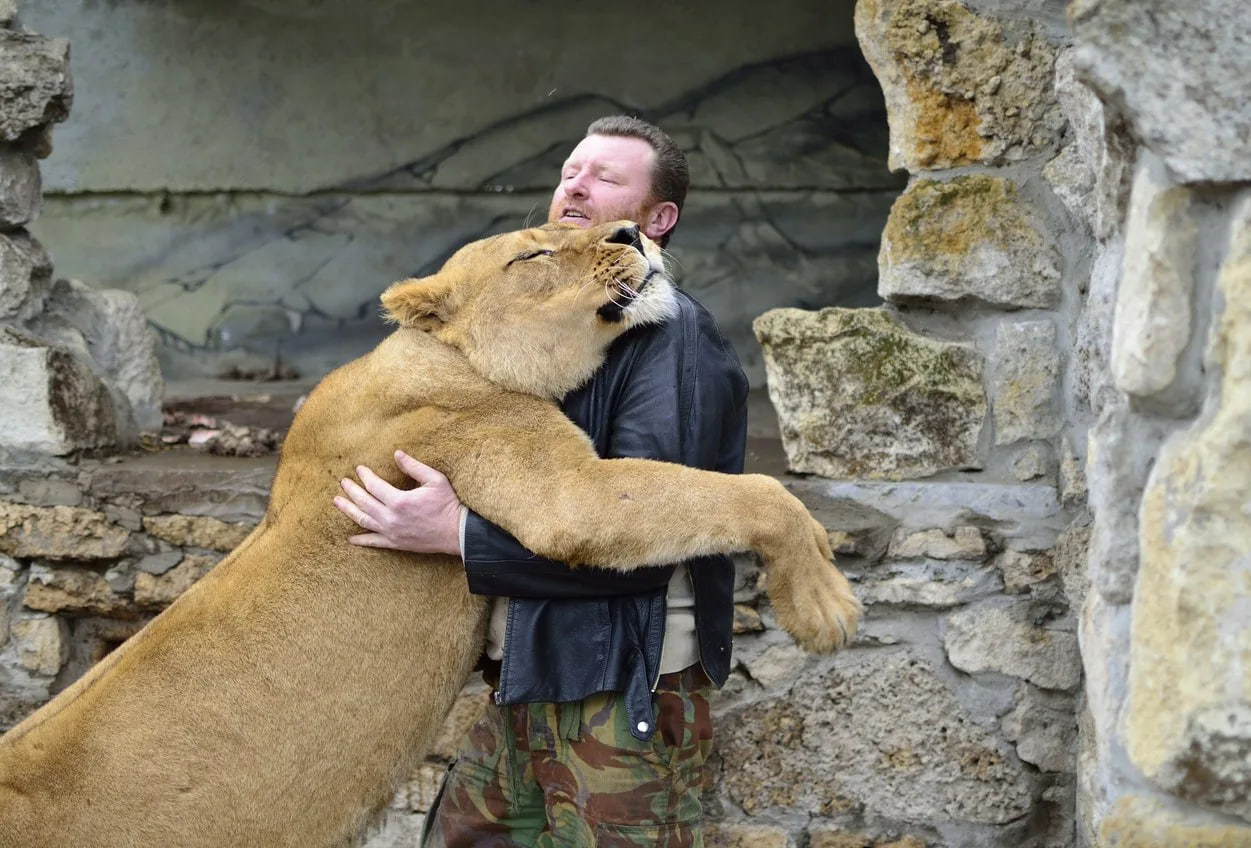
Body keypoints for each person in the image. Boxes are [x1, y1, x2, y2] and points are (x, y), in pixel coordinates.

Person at [334, 115, 749, 847]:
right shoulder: (547, 327)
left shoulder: (671, 333)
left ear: (658, 220)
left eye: (607, 177)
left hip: (620, 690)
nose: (576, 186)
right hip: (525, 679)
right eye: (569, 172)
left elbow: (642, 536)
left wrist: (456, 535)